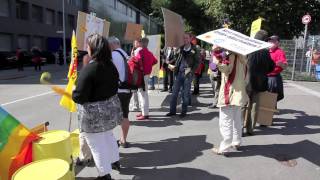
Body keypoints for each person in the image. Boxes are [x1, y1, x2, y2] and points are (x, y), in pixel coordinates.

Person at [72, 34, 122, 180]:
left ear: (93, 48)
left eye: (88, 45)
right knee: (108, 136)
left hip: (93, 116)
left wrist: (74, 92)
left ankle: (104, 174)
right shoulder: (110, 65)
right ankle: (115, 161)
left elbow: (79, 97)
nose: (86, 48)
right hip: (109, 111)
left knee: (96, 144)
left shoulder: (90, 69)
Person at [211, 46, 249, 155]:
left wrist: (216, 56)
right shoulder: (242, 54)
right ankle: (236, 141)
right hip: (239, 91)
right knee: (237, 118)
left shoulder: (229, 55)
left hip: (230, 91)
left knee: (226, 120)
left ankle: (224, 147)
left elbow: (226, 69)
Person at [244, 30, 275, 135]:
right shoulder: (266, 52)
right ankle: (250, 129)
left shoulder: (248, 49)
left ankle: (240, 127)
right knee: (254, 105)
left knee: (243, 104)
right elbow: (271, 67)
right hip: (260, 82)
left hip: (247, 81)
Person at [166, 33, 200, 118]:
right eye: (184, 38)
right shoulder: (181, 48)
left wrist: (191, 71)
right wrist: (175, 52)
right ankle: (172, 111)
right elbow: (176, 58)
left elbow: (197, 62)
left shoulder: (194, 49)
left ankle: (183, 112)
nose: (185, 40)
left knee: (185, 94)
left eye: (186, 38)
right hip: (179, 72)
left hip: (188, 73)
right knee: (174, 93)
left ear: (190, 39)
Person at [108, 36, 132, 148]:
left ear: (112, 45)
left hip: (117, 91)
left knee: (110, 118)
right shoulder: (126, 54)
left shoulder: (112, 56)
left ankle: (110, 143)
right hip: (128, 89)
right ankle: (123, 139)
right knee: (125, 116)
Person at [135, 37, 158, 120]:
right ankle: (143, 112)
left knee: (143, 94)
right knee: (142, 93)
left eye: (140, 42)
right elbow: (155, 61)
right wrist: (149, 66)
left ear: (142, 43)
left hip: (142, 75)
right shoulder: (149, 52)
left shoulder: (140, 52)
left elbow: (136, 62)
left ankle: (145, 114)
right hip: (147, 74)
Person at [267, 35, 288, 102]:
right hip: (264, 76)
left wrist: (281, 64)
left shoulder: (280, 52)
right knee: (264, 96)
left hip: (273, 78)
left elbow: (285, 66)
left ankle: (271, 110)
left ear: (277, 43)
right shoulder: (266, 51)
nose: (270, 42)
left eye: (272, 41)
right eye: (269, 41)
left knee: (271, 97)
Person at [129, 39, 142, 112]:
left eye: (135, 42)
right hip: (138, 71)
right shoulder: (138, 50)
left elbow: (135, 60)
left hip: (136, 71)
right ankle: (137, 105)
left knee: (134, 89)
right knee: (137, 90)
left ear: (139, 43)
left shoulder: (138, 50)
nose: (134, 43)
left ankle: (136, 106)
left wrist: (132, 55)